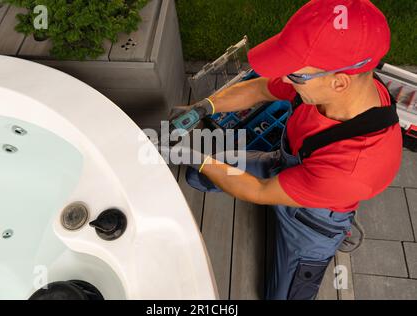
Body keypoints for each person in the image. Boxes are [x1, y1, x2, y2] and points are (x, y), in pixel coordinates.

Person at [168, 0, 402, 300]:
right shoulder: (326, 81)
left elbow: (263, 190)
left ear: (340, 83)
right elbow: (260, 88)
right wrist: (204, 107)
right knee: (200, 175)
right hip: (287, 164)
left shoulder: (354, 167)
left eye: (295, 74)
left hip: (312, 223)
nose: (287, 77)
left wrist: (196, 157)